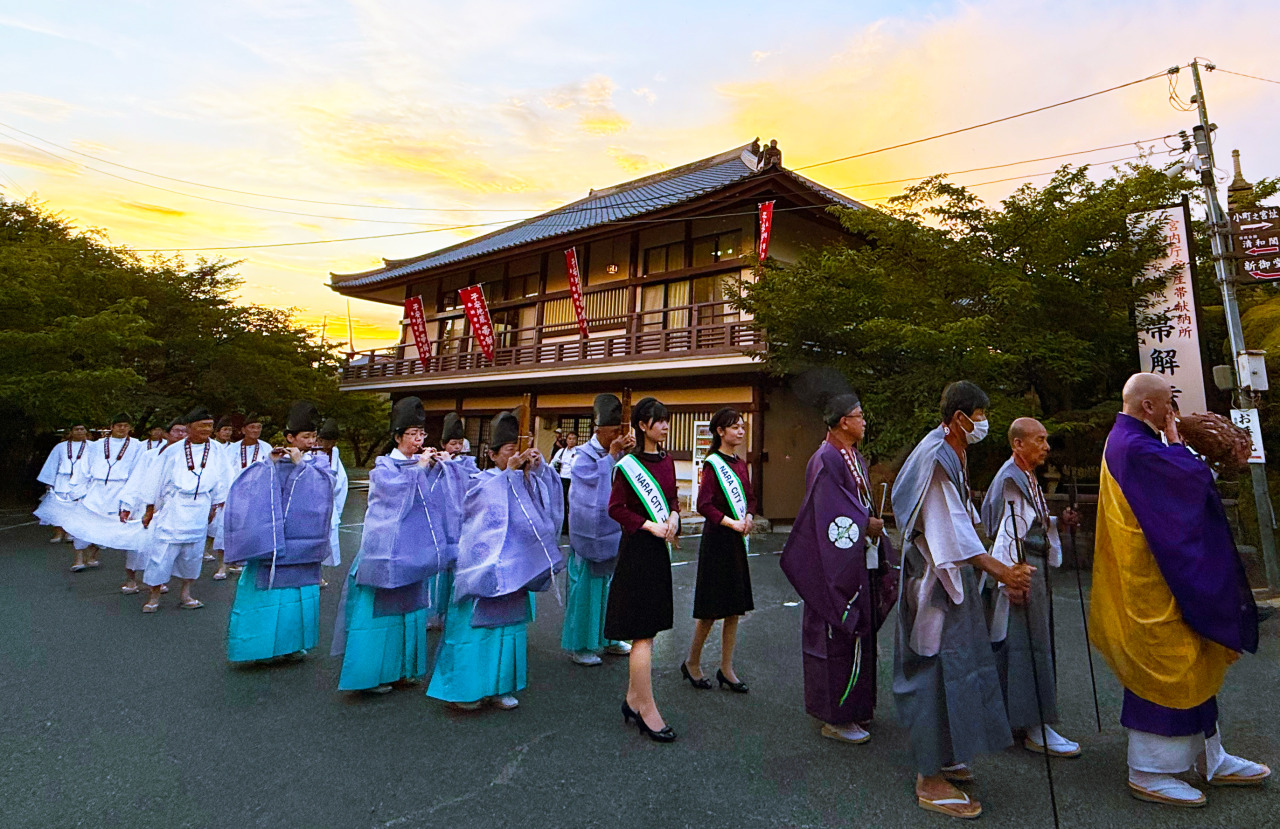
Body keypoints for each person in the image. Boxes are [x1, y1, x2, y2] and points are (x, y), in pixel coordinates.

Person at [1091, 373, 1269, 807]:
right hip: (1153, 585)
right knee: (1169, 667)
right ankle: (1149, 769)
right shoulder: (1135, 445)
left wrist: (1171, 441)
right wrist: (1175, 442)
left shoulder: (1134, 438)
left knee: (1198, 658)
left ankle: (1211, 755)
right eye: (1168, 404)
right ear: (1148, 407)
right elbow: (1192, 482)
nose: (1174, 411)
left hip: (1164, 576)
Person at [891, 381, 1034, 820]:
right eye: (980, 416)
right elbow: (949, 530)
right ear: (959, 418)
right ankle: (928, 777)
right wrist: (1002, 570)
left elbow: (963, 520)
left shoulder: (950, 449)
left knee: (958, 666)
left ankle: (946, 754)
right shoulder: (936, 459)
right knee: (935, 670)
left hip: (946, 577)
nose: (983, 425)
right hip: (935, 583)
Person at [781, 391, 900, 744]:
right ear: (843, 422)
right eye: (859, 415)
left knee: (860, 634)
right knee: (834, 636)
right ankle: (834, 716)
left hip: (857, 556)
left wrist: (867, 524)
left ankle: (857, 708)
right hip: (830, 564)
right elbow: (828, 510)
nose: (865, 420)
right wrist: (864, 522)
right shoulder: (825, 458)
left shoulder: (854, 458)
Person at [427, 411, 564, 711]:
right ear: (491, 454)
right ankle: (465, 690)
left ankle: (501, 686)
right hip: (485, 570)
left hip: (516, 570)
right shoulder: (481, 480)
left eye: (519, 449)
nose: (515, 455)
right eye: (509, 450)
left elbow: (547, 506)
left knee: (509, 630)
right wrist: (507, 476)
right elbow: (476, 510)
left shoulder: (522, 477)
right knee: (476, 631)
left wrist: (539, 471)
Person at [979, 417, 1081, 759]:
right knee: (1027, 645)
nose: (1046, 446)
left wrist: (1055, 522)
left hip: (1026, 565)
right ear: (1018, 444)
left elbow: (1027, 523)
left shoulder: (1025, 477)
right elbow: (1010, 532)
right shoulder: (1012, 479)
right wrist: (1010, 576)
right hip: (1021, 567)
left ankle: (1013, 719)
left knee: (1021, 644)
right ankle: (1034, 725)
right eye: (1039, 439)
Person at [332, 397, 442, 694]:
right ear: (397, 436)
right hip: (385, 550)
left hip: (413, 550)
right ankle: (371, 675)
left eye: (422, 434)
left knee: (410, 611)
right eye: (413, 434)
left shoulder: (420, 463)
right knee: (380, 612)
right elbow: (393, 499)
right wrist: (420, 469)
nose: (419, 440)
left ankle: (404, 669)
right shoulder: (383, 466)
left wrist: (440, 470)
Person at [224, 402, 334, 664]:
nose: (310, 441)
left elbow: (327, 488)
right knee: (268, 595)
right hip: (275, 541)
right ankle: (258, 648)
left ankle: (293, 645)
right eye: (304, 437)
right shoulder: (271, 460)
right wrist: (270, 464)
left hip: (304, 541)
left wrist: (303, 467)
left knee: (298, 597)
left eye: (312, 437)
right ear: (289, 437)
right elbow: (250, 490)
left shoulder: (320, 463)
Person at [604, 397, 680, 742]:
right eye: (658, 421)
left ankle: (633, 701)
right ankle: (647, 709)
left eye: (665, 420)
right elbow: (616, 509)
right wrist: (650, 526)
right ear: (643, 425)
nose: (663, 426)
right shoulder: (628, 465)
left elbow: (673, 498)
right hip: (637, 552)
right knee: (642, 634)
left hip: (659, 553)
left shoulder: (667, 461)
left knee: (648, 631)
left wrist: (675, 517)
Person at [685, 407, 757, 694]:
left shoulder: (740, 464)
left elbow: (749, 498)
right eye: (734, 427)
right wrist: (732, 522)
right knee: (711, 609)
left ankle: (726, 668)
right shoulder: (712, 464)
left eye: (742, 427)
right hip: (718, 541)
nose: (740, 431)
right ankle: (692, 662)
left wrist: (749, 517)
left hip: (737, 541)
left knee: (734, 609)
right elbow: (705, 504)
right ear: (720, 431)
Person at [561, 394, 634, 666]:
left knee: (612, 589)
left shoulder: (616, 452)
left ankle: (610, 637)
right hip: (588, 539)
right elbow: (587, 494)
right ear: (599, 430)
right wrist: (612, 456)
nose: (617, 435)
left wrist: (625, 454)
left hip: (613, 534)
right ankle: (581, 645)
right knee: (587, 592)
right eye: (614, 431)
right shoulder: (583, 456)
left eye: (620, 431)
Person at [132, 407, 228, 613]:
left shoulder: (218, 449)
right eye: (202, 425)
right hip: (174, 506)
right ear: (189, 427)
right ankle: (154, 595)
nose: (206, 429)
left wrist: (216, 504)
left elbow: (223, 478)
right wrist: (150, 508)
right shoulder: (173, 450)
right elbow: (154, 480)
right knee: (162, 552)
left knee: (192, 554)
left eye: (210, 426)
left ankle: (186, 593)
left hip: (201, 505)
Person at [59, 413, 145, 572]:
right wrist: (78, 490)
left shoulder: (137, 446)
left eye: (126, 425)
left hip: (120, 489)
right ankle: (78, 558)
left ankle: (92, 555)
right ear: (112, 427)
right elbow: (83, 468)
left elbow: (138, 472)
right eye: (119, 425)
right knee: (83, 523)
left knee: (106, 526)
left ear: (130, 428)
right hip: (96, 488)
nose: (122, 428)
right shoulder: (96, 445)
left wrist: (132, 497)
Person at [117, 419, 186, 594]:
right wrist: (127, 505)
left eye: (185, 431)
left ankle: (158, 581)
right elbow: (136, 479)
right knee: (136, 547)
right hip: (144, 504)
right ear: (167, 434)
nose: (181, 435)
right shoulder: (150, 455)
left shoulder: (187, 456)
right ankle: (131, 580)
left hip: (171, 506)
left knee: (161, 547)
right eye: (177, 431)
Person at [426, 412, 474, 629]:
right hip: (439, 524)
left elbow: (470, 485)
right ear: (443, 444)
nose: (456, 447)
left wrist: (452, 466)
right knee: (436, 571)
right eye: (452, 443)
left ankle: (451, 613)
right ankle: (433, 612)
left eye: (459, 443)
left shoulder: (469, 464)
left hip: (460, 525)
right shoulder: (434, 464)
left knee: (456, 568)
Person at [211, 414, 272, 581]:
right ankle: (223, 565)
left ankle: (246, 562)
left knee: (252, 529)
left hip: (257, 495)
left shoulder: (266, 448)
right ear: (244, 429)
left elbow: (271, 470)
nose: (256, 431)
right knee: (226, 528)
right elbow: (222, 472)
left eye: (258, 427)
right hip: (234, 493)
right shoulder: (231, 449)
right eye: (252, 427)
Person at [34, 421, 91, 547]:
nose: (80, 431)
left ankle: (71, 532)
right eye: (77, 429)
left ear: (86, 431)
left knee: (77, 508)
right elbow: (52, 463)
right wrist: (49, 482)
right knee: (58, 508)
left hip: (82, 481)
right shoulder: (61, 447)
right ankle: (58, 532)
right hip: (62, 480)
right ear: (71, 432)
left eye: (82, 429)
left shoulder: (92, 446)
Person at [314, 418, 349, 586]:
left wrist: (337, 507)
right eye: (324, 440)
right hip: (311, 504)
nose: (326, 444)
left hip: (329, 502)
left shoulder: (334, 453)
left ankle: (317, 574)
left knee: (325, 540)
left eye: (331, 441)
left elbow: (341, 481)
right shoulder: (310, 452)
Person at [204, 416, 236, 561]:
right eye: (224, 430)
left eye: (230, 430)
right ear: (216, 432)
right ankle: (205, 548)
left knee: (221, 522)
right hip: (211, 486)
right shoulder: (210, 446)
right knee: (209, 522)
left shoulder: (234, 448)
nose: (227, 433)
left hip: (229, 487)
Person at [550, 430, 579, 534]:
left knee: (572, 504)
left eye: (573, 439)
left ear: (576, 441)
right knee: (561, 503)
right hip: (562, 479)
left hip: (573, 480)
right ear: (566, 440)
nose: (571, 441)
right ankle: (563, 526)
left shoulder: (578, 452)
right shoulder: (561, 452)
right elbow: (552, 464)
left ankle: (572, 526)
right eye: (569, 439)